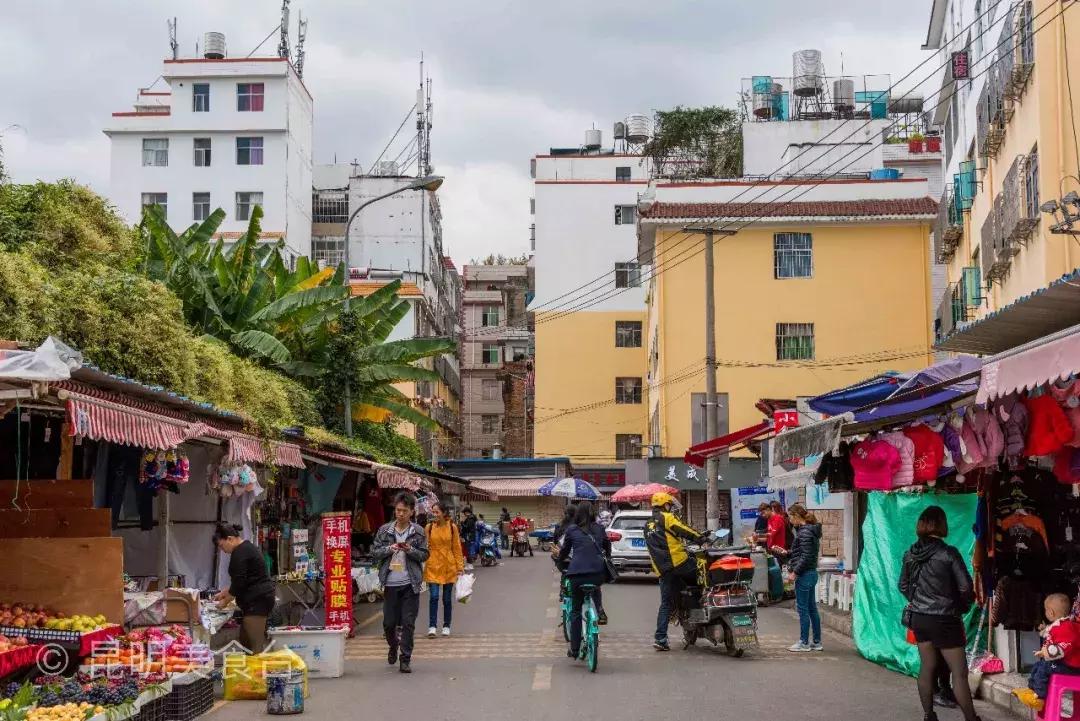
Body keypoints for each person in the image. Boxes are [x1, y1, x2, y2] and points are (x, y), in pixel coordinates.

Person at [899, 505, 980, 721]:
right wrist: (961, 607)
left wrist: (918, 603)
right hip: (945, 619)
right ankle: (972, 719)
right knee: (959, 673)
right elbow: (965, 587)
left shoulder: (910, 554)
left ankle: (929, 715)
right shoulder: (948, 553)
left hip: (920, 618)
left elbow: (903, 586)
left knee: (927, 667)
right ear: (942, 525)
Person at [371, 492, 430, 673]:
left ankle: (405, 658)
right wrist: (390, 548)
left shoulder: (418, 532)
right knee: (388, 623)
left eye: (404, 511)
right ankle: (393, 645)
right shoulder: (384, 530)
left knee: (408, 623)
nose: (400, 514)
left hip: (410, 584)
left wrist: (410, 549)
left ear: (412, 512)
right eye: (398, 510)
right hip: (390, 583)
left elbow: (425, 554)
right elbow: (375, 552)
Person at [645, 492, 706, 652]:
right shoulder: (666, 517)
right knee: (705, 576)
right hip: (679, 562)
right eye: (669, 505)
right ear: (664, 505)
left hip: (663, 570)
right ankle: (703, 610)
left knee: (665, 603)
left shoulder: (648, 525)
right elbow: (684, 530)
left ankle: (661, 639)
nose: (670, 508)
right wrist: (700, 538)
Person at [557, 501, 611, 660]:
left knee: (575, 610)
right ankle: (599, 608)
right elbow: (607, 549)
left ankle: (574, 649)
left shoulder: (572, 530)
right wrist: (606, 558)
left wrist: (560, 564)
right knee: (596, 587)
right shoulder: (600, 529)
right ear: (593, 513)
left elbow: (564, 551)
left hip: (576, 575)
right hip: (597, 574)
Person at [212, 523, 276, 654]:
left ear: (230, 539)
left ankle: (258, 671)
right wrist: (225, 593)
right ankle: (249, 668)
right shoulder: (245, 549)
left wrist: (225, 601)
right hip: (256, 599)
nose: (222, 550)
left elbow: (240, 583)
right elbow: (242, 579)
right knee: (245, 640)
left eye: (221, 545)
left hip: (258, 601)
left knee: (254, 644)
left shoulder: (240, 552)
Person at [1013, 594, 1080, 712]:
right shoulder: (1061, 624)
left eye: (1045, 610)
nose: (1045, 612)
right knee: (1038, 665)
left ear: (1051, 612)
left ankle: (1039, 697)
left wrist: (1047, 652)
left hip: (1072, 668)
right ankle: (1032, 690)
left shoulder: (1067, 627)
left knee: (1044, 667)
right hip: (1066, 664)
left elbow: (1063, 647)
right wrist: (1045, 630)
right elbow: (1052, 635)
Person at [786, 504, 823, 652]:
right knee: (811, 608)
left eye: (790, 516)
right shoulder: (808, 530)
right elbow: (803, 552)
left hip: (805, 574)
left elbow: (806, 556)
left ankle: (804, 642)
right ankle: (817, 641)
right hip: (811, 573)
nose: (789, 520)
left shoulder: (805, 532)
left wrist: (795, 572)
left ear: (796, 516)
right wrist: (788, 553)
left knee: (803, 609)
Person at [424, 501, 464, 639]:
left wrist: (460, 567)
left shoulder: (452, 528)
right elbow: (425, 547)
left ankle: (446, 625)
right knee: (434, 596)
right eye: (433, 512)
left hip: (448, 565)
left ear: (444, 513)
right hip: (433, 564)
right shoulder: (428, 528)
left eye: (437, 512)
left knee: (446, 599)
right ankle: (432, 626)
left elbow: (457, 548)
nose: (434, 515)